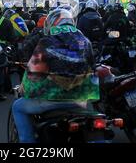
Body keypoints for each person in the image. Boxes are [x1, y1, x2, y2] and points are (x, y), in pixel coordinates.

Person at [11, 8, 99, 143]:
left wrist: (24, 88)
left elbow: (33, 73)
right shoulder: (85, 41)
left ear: (52, 23)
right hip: (81, 99)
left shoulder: (47, 41)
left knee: (17, 107)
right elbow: (93, 68)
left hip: (51, 99)